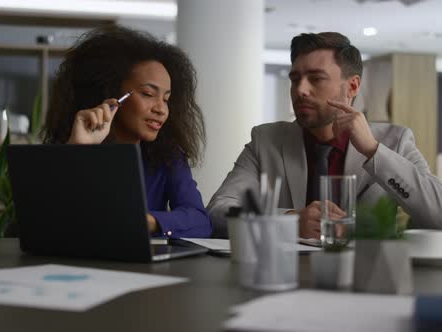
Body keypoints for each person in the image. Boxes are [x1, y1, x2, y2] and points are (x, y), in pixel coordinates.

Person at [208, 32, 442, 239]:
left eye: (316, 78)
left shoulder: (394, 141)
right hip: (286, 277)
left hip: (366, 277)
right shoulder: (266, 139)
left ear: (352, 87)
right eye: (295, 79)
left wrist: (373, 150)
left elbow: (438, 217)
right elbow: (218, 211)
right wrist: (290, 221)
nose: (300, 90)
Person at [42, 25, 211, 238]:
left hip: (138, 268)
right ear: (111, 93)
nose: (161, 109)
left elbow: (199, 221)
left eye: (166, 99)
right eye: (149, 94)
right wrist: (78, 150)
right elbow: (43, 219)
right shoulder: (70, 147)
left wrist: (147, 221)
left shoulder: (168, 156)